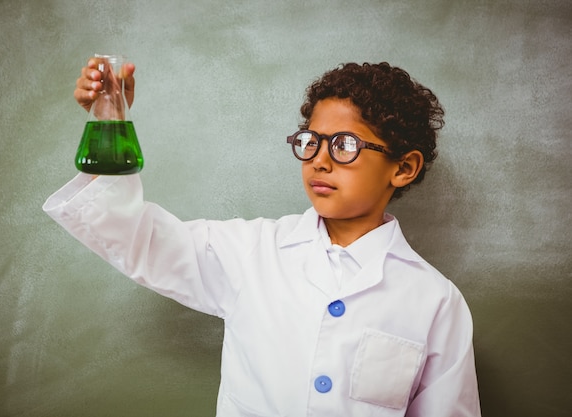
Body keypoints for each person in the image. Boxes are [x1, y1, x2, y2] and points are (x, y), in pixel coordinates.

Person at [44, 59, 481, 416]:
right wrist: (109, 122)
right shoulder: (249, 253)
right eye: (311, 141)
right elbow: (134, 236)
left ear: (403, 167)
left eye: (345, 146)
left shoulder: (436, 302)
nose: (319, 161)